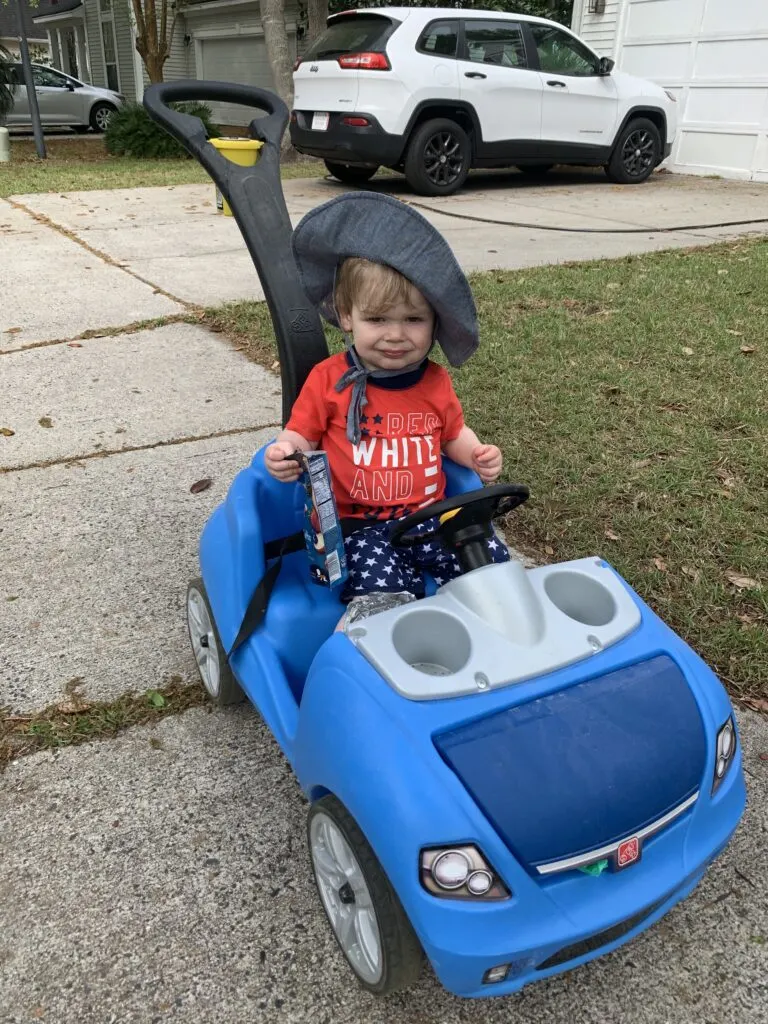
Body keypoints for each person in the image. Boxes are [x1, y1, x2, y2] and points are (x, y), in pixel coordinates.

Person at [265, 192, 509, 603]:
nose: (396, 335)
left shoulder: (434, 382)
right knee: (384, 594)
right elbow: (301, 434)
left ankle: (489, 639)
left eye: (413, 320)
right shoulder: (329, 380)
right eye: (377, 319)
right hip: (360, 528)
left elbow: (451, 435)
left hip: (433, 519)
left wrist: (476, 454)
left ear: (434, 321)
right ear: (346, 316)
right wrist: (286, 450)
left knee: (491, 569)